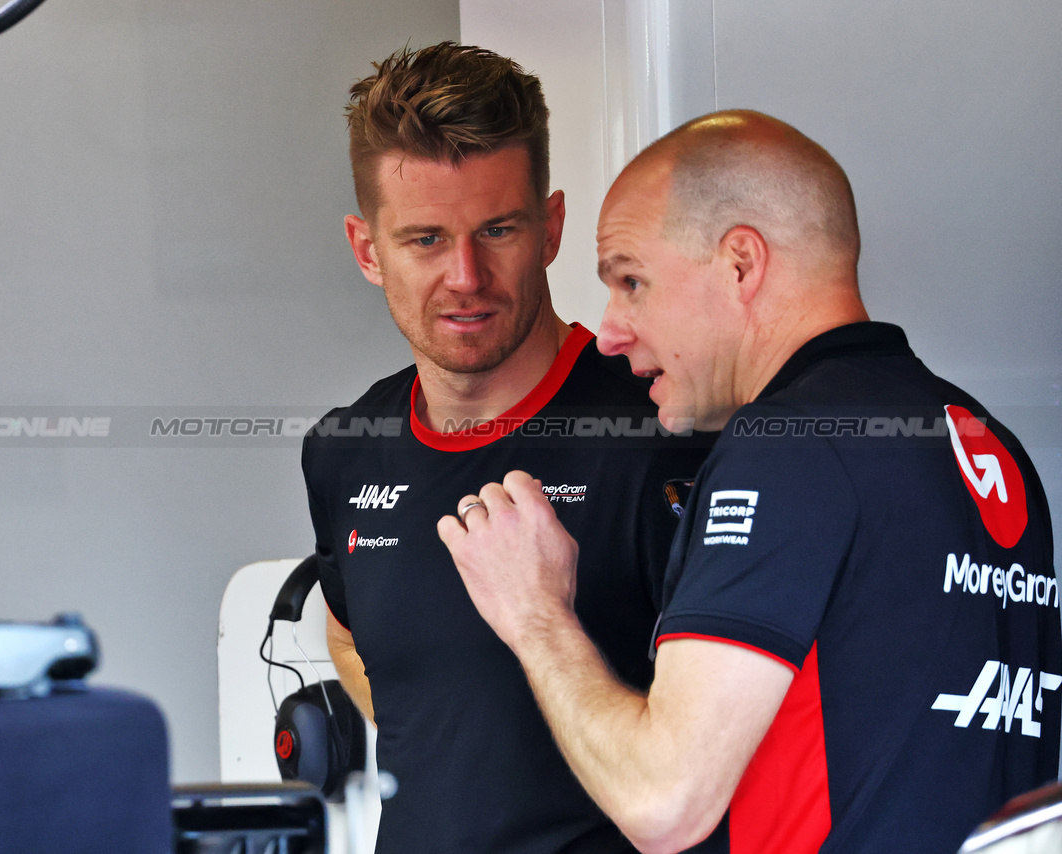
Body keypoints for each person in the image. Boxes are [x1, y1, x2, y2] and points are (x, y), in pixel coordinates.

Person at [439, 110, 1061, 854]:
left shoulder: (786, 446)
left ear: (741, 263)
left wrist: (535, 613)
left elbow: (662, 800)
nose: (609, 330)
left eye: (631, 280)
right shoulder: (983, 439)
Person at [301, 42, 710, 854]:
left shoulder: (666, 430)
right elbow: (348, 632)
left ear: (551, 228)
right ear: (366, 250)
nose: (466, 275)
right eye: (424, 239)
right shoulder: (345, 450)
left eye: (498, 229)